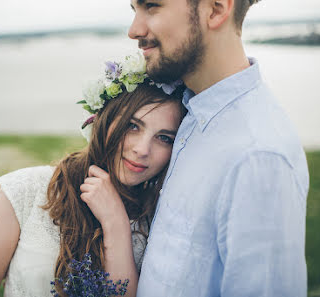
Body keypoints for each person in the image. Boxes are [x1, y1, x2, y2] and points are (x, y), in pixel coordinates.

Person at [0, 53, 185, 297]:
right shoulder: (26, 190)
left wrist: (116, 225)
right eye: (132, 126)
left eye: (164, 138)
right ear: (105, 119)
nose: (142, 150)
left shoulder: (160, 220)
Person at [128, 0, 309, 296]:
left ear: (215, 9)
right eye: (133, 10)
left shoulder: (257, 156)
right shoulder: (190, 112)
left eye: (152, 6)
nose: (134, 30)